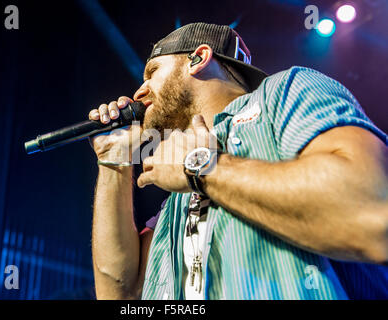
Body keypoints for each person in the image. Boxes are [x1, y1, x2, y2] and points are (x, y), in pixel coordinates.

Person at [88, 22, 388, 300]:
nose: (139, 91)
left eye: (152, 71)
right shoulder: (177, 199)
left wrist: (201, 166)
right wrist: (114, 159)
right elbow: (121, 294)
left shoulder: (284, 92)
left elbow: (371, 214)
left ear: (198, 58)